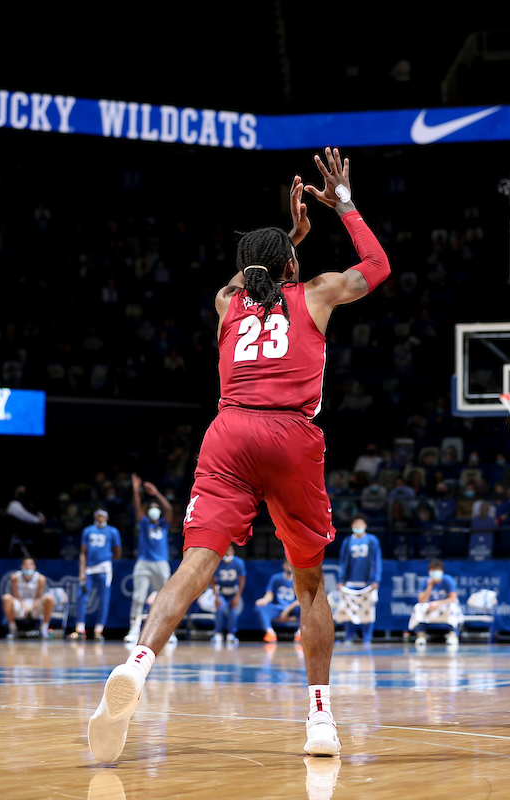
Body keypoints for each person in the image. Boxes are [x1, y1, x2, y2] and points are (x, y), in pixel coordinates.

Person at [89, 149, 388, 762]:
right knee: (308, 582)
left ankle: (137, 666)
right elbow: (378, 267)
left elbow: (239, 279)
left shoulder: (228, 305)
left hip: (228, 431)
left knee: (195, 563)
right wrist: (343, 205)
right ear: (292, 265)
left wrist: (286, 238)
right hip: (289, 436)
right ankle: (321, 720)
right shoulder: (318, 293)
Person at [125, 474, 174, 644]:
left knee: (165, 599)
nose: (154, 509)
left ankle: (168, 632)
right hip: (144, 563)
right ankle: (133, 630)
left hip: (161, 563)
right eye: (151, 507)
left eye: (156, 507)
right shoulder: (144, 523)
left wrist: (156, 494)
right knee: (138, 597)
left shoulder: (163, 524)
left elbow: (170, 510)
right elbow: (137, 507)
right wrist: (135, 489)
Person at [74, 509, 122, 640]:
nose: (100, 518)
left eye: (103, 516)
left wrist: (109, 563)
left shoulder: (113, 531)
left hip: (104, 568)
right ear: (95, 516)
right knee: (81, 596)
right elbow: (83, 552)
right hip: (89, 568)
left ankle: (99, 629)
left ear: (106, 517)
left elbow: (118, 551)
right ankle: (80, 628)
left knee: (103, 599)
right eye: (98, 515)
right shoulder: (88, 530)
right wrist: (81, 571)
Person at [336, 514, 382, 643]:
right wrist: (341, 580)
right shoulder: (348, 541)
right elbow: (343, 561)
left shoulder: (372, 540)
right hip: (350, 581)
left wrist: (376, 579)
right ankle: (350, 634)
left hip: (367, 581)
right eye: (356, 524)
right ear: (352, 526)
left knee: (368, 609)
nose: (358, 526)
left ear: (365, 526)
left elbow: (377, 560)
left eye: (361, 524)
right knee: (347, 608)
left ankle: (367, 637)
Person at [407, 559, 461, 647]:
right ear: (429, 571)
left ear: (442, 571)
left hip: (443, 606)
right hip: (430, 607)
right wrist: (429, 586)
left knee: (454, 607)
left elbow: (453, 598)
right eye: (433, 570)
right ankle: (421, 635)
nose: (435, 573)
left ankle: (453, 635)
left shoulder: (448, 580)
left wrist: (437, 603)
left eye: (437, 570)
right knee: (418, 607)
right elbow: (421, 600)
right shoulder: (426, 581)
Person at [2, 556, 55, 638]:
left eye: (30, 564)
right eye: (25, 564)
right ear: (21, 566)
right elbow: (15, 595)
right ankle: (13, 629)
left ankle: (44, 629)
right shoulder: (15, 577)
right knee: (6, 598)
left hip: (34, 605)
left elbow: (38, 597)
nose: (28, 566)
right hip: (20, 604)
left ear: (34, 566)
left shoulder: (40, 578)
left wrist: (31, 607)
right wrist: (24, 606)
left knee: (49, 598)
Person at [256, 560, 301, 641]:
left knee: (305, 609)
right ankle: (270, 633)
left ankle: (300, 633)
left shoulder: (299, 579)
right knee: (260, 607)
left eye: (292, 564)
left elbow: (300, 600)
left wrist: (287, 611)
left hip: (292, 608)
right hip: (278, 608)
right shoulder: (276, 578)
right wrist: (264, 600)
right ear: (283, 565)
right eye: (287, 564)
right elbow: (269, 594)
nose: (289, 567)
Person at [211, 544, 246, 644]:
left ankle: (231, 634)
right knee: (219, 609)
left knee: (233, 611)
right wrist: (216, 596)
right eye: (226, 550)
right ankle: (218, 633)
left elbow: (242, 579)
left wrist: (238, 596)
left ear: (233, 551)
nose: (228, 552)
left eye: (229, 550)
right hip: (221, 591)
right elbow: (213, 580)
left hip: (233, 591)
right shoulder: (217, 562)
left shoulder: (239, 563)